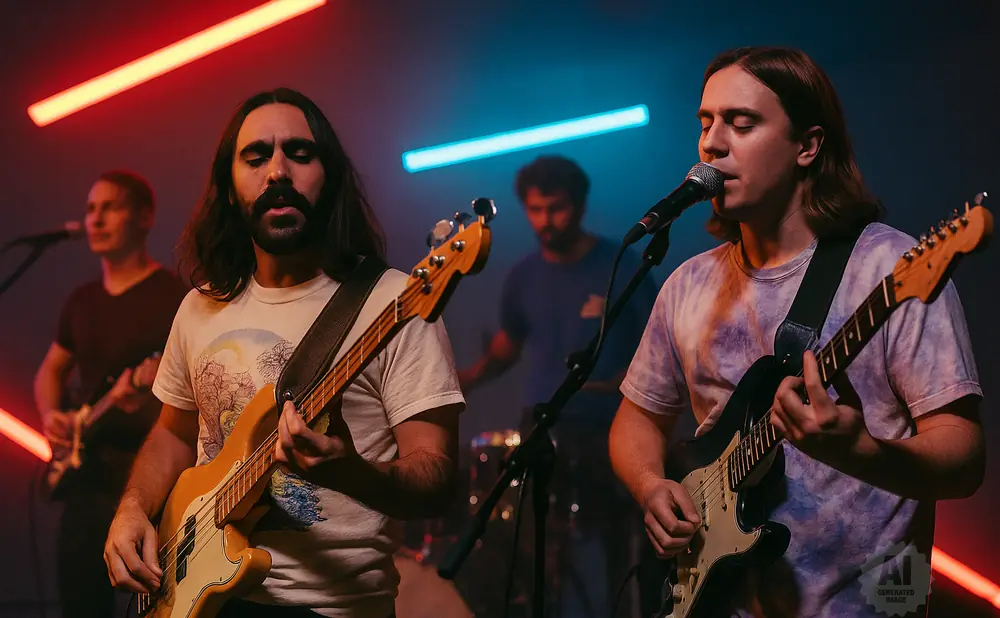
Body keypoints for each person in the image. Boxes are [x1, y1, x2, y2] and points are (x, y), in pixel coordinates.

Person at [609, 46, 985, 618]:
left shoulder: (889, 268)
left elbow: (964, 458)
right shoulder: (687, 285)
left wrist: (863, 453)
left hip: (874, 604)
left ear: (807, 146)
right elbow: (636, 419)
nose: (712, 143)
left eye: (742, 123)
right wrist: (651, 487)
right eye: (706, 123)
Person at [102, 87, 466, 618]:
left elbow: (436, 478)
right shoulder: (200, 306)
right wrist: (133, 508)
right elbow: (172, 434)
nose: (277, 171)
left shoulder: (396, 302)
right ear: (229, 188)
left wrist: (352, 473)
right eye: (255, 157)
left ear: (330, 177)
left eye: (300, 153)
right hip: (202, 599)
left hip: (334, 608)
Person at [458, 155, 658, 618]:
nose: (545, 220)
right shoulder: (522, 276)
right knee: (537, 550)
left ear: (580, 205)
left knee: (612, 550)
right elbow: (507, 347)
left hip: (611, 431)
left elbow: (660, 345)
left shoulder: (621, 265)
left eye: (556, 208)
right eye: (535, 209)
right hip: (541, 431)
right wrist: (462, 379)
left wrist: (619, 387)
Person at [34, 169, 189, 618]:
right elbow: (49, 372)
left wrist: (151, 394)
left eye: (110, 207)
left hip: (153, 483)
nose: (95, 219)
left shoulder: (173, 296)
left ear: (144, 217)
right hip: (87, 484)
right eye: (90, 210)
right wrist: (52, 417)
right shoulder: (82, 300)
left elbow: (194, 388)